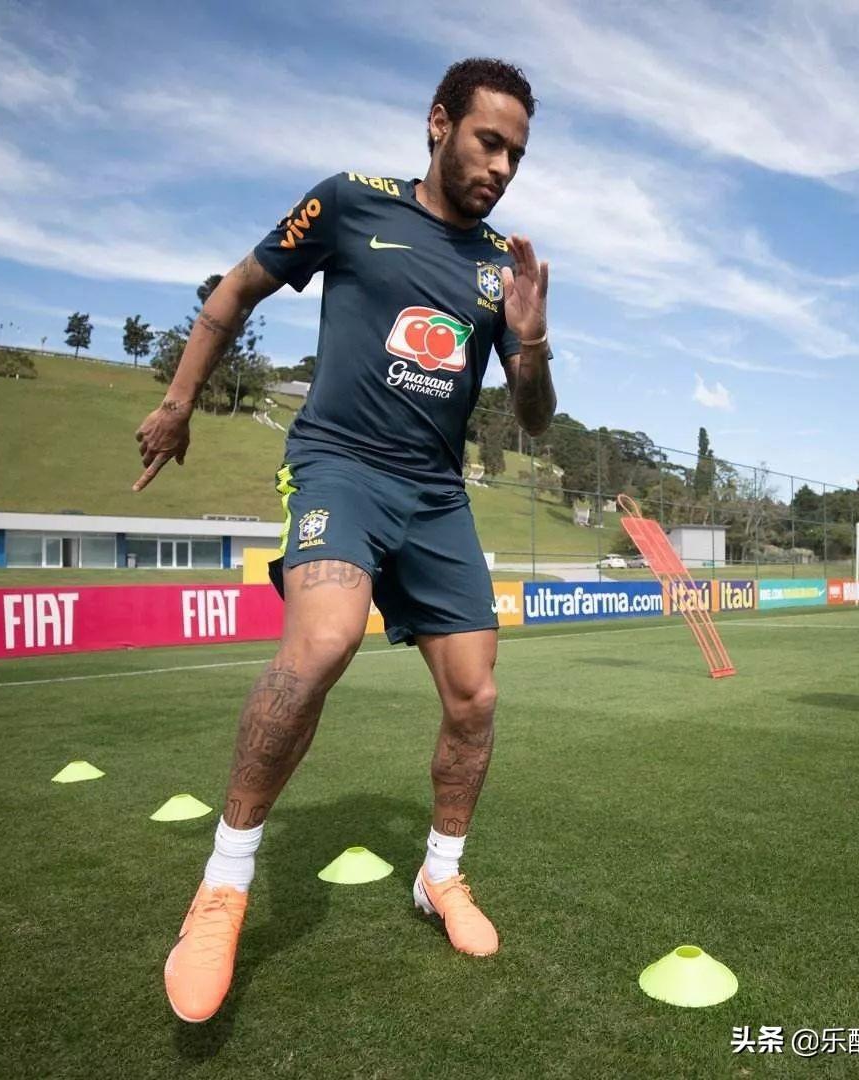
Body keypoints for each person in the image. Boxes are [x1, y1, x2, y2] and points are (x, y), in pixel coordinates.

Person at [133, 57, 556, 1024]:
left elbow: (534, 419)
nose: (501, 167)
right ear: (439, 123)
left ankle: (440, 874)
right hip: (339, 466)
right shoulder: (349, 202)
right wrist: (180, 400)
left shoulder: (503, 268)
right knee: (323, 641)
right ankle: (224, 885)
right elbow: (237, 290)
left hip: (435, 494)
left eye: (517, 155)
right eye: (488, 142)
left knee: (477, 696)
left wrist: (529, 341)